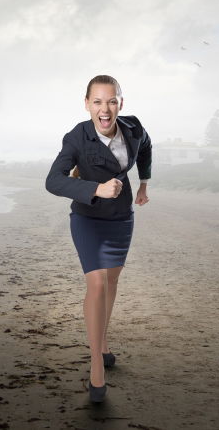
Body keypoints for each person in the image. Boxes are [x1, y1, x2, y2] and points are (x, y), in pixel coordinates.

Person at [44, 74, 152, 403]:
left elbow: (146, 148)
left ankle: (103, 342)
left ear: (121, 102)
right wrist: (95, 189)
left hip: (121, 218)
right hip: (88, 218)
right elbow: (52, 181)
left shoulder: (133, 128)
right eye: (97, 101)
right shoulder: (76, 137)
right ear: (87, 104)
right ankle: (95, 365)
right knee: (97, 284)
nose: (105, 109)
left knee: (113, 282)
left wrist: (144, 182)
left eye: (112, 100)